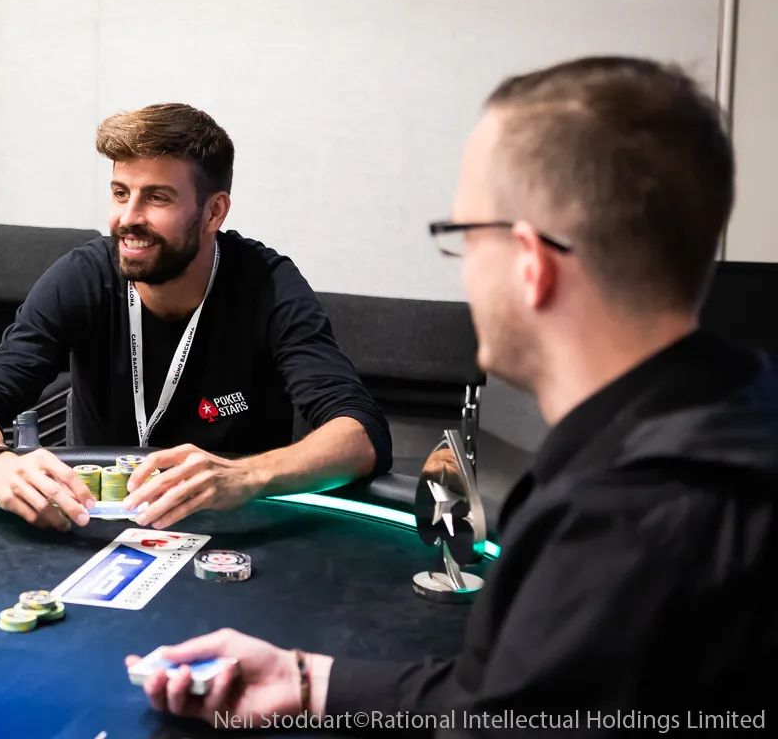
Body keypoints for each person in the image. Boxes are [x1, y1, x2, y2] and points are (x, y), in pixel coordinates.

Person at [127, 57, 778, 730]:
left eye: (466, 238)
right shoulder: (721, 419)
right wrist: (305, 680)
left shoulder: (627, 526)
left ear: (531, 266)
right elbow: (517, 696)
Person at [0, 104, 391, 532]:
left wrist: (246, 474)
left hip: (236, 531)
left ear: (214, 211)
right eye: (121, 193)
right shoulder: (83, 277)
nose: (128, 219)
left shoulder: (268, 286)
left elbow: (361, 432)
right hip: (97, 523)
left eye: (156, 197)